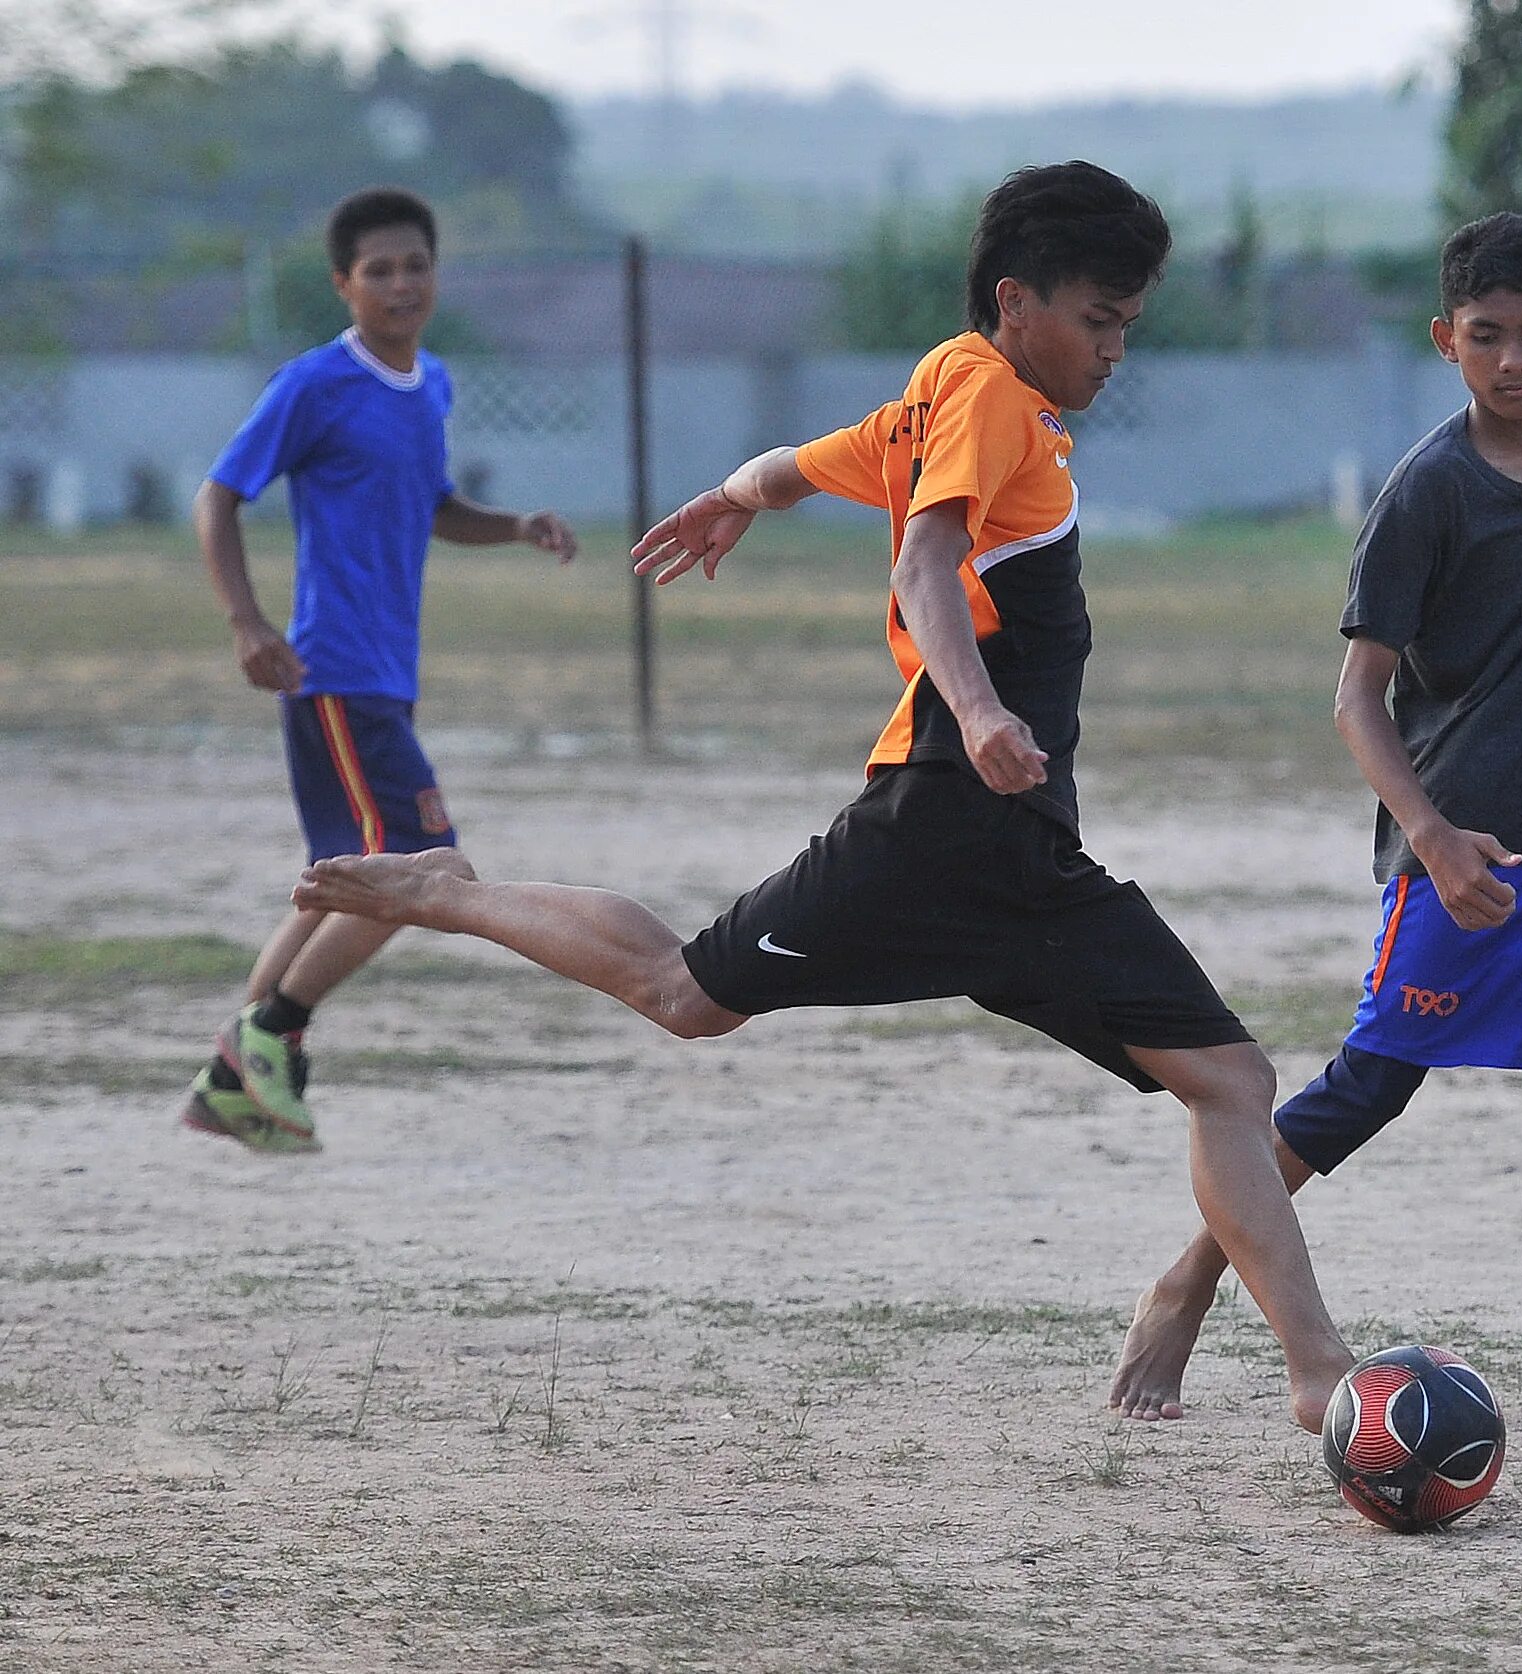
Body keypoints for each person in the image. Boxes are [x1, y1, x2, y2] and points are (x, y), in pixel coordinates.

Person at [291, 162, 1358, 1433]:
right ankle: (445, 896)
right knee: (687, 995)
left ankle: (1312, 1373)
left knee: (1232, 1078)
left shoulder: (945, 393)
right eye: (1098, 319)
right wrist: (977, 710)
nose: (1116, 347)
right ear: (1017, 303)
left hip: (1021, 851)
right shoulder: (985, 392)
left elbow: (803, 463)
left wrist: (731, 500)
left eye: (1128, 322)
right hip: (936, 824)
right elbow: (923, 558)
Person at [1109, 212, 1522, 1426]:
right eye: (1486, 338)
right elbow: (1355, 700)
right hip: (1472, 857)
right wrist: (1430, 835)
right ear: (1446, 342)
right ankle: (1189, 1281)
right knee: (1367, 1090)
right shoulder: (1428, 492)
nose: (1515, 361)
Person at [186, 186, 577, 1154]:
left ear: (435, 275)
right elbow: (218, 497)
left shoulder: (431, 383)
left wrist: (514, 525)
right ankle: (265, 1041)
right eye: (380, 270)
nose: (401, 285)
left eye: (416, 266)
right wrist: (246, 622)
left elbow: (436, 505)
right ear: (343, 284)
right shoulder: (314, 384)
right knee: (426, 866)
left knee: (341, 885)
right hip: (330, 674)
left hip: (382, 678)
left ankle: (241, 1077)